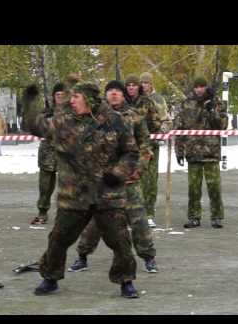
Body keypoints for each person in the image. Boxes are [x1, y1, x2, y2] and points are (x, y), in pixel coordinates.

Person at [22, 81, 140, 298]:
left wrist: (119, 173)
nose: (71, 100)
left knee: (120, 241)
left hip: (107, 194)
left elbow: (131, 152)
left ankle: (126, 281)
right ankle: (50, 277)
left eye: (76, 97)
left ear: (89, 99)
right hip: (74, 195)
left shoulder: (115, 121)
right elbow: (36, 126)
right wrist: (29, 101)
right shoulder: (63, 121)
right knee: (58, 239)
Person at [68, 80, 158, 274]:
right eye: (110, 91)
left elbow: (145, 146)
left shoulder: (135, 117)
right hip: (103, 182)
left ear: (123, 94)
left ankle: (149, 258)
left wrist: (138, 170)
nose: (114, 94)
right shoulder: (95, 117)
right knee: (95, 223)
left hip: (128, 179)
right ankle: (82, 256)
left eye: (118, 91)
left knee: (138, 220)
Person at [174, 77, 228, 229]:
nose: (199, 89)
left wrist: (212, 110)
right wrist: (179, 151)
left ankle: (217, 217)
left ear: (206, 87)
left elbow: (222, 126)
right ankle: (194, 217)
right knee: (193, 188)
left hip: (211, 152)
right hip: (193, 152)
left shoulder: (216, 103)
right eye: (197, 86)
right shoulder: (187, 104)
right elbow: (180, 129)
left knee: (214, 187)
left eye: (202, 86)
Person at [125, 73, 172, 228]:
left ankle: (149, 214)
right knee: (130, 181)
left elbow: (162, 121)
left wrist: (162, 130)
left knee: (150, 181)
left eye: (145, 83)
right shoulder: (125, 101)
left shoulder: (154, 100)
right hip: (130, 148)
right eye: (141, 82)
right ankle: (129, 214)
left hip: (150, 145)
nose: (143, 85)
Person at [30, 83, 67, 225]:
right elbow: (39, 129)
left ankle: (67, 214)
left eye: (63, 95)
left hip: (67, 152)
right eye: (58, 95)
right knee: (45, 186)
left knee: (68, 186)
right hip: (48, 153)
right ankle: (42, 211)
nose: (60, 98)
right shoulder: (46, 112)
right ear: (53, 97)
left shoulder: (74, 111)